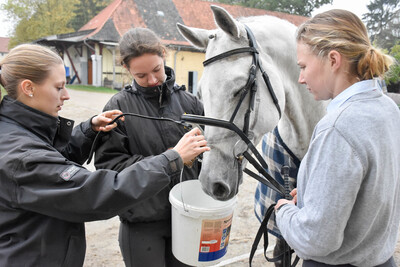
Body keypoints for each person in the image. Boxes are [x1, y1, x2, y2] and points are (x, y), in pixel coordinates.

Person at [0, 43, 209, 267]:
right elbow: (92, 192)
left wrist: (87, 130)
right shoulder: (19, 155)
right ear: (29, 88)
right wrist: (171, 160)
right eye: (59, 87)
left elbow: (54, 159)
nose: (67, 95)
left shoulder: (20, 133)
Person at [274, 9, 400, 267]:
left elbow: (316, 239)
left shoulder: (338, 127)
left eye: (304, 66)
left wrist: (284, 211)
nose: (301, 78)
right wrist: (314, 193)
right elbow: (371, 191)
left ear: (333, 60)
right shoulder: (388, 109)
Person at [94, 27, 204, 267]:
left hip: (188, 217)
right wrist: (171, 159)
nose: (152, 80)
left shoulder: (192, 103)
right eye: (141, 76)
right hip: (141, 222)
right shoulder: (117, 107)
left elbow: (210, 157)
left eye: (156, 70)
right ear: (127, 70)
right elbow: (109, 166)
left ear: (163, 54)